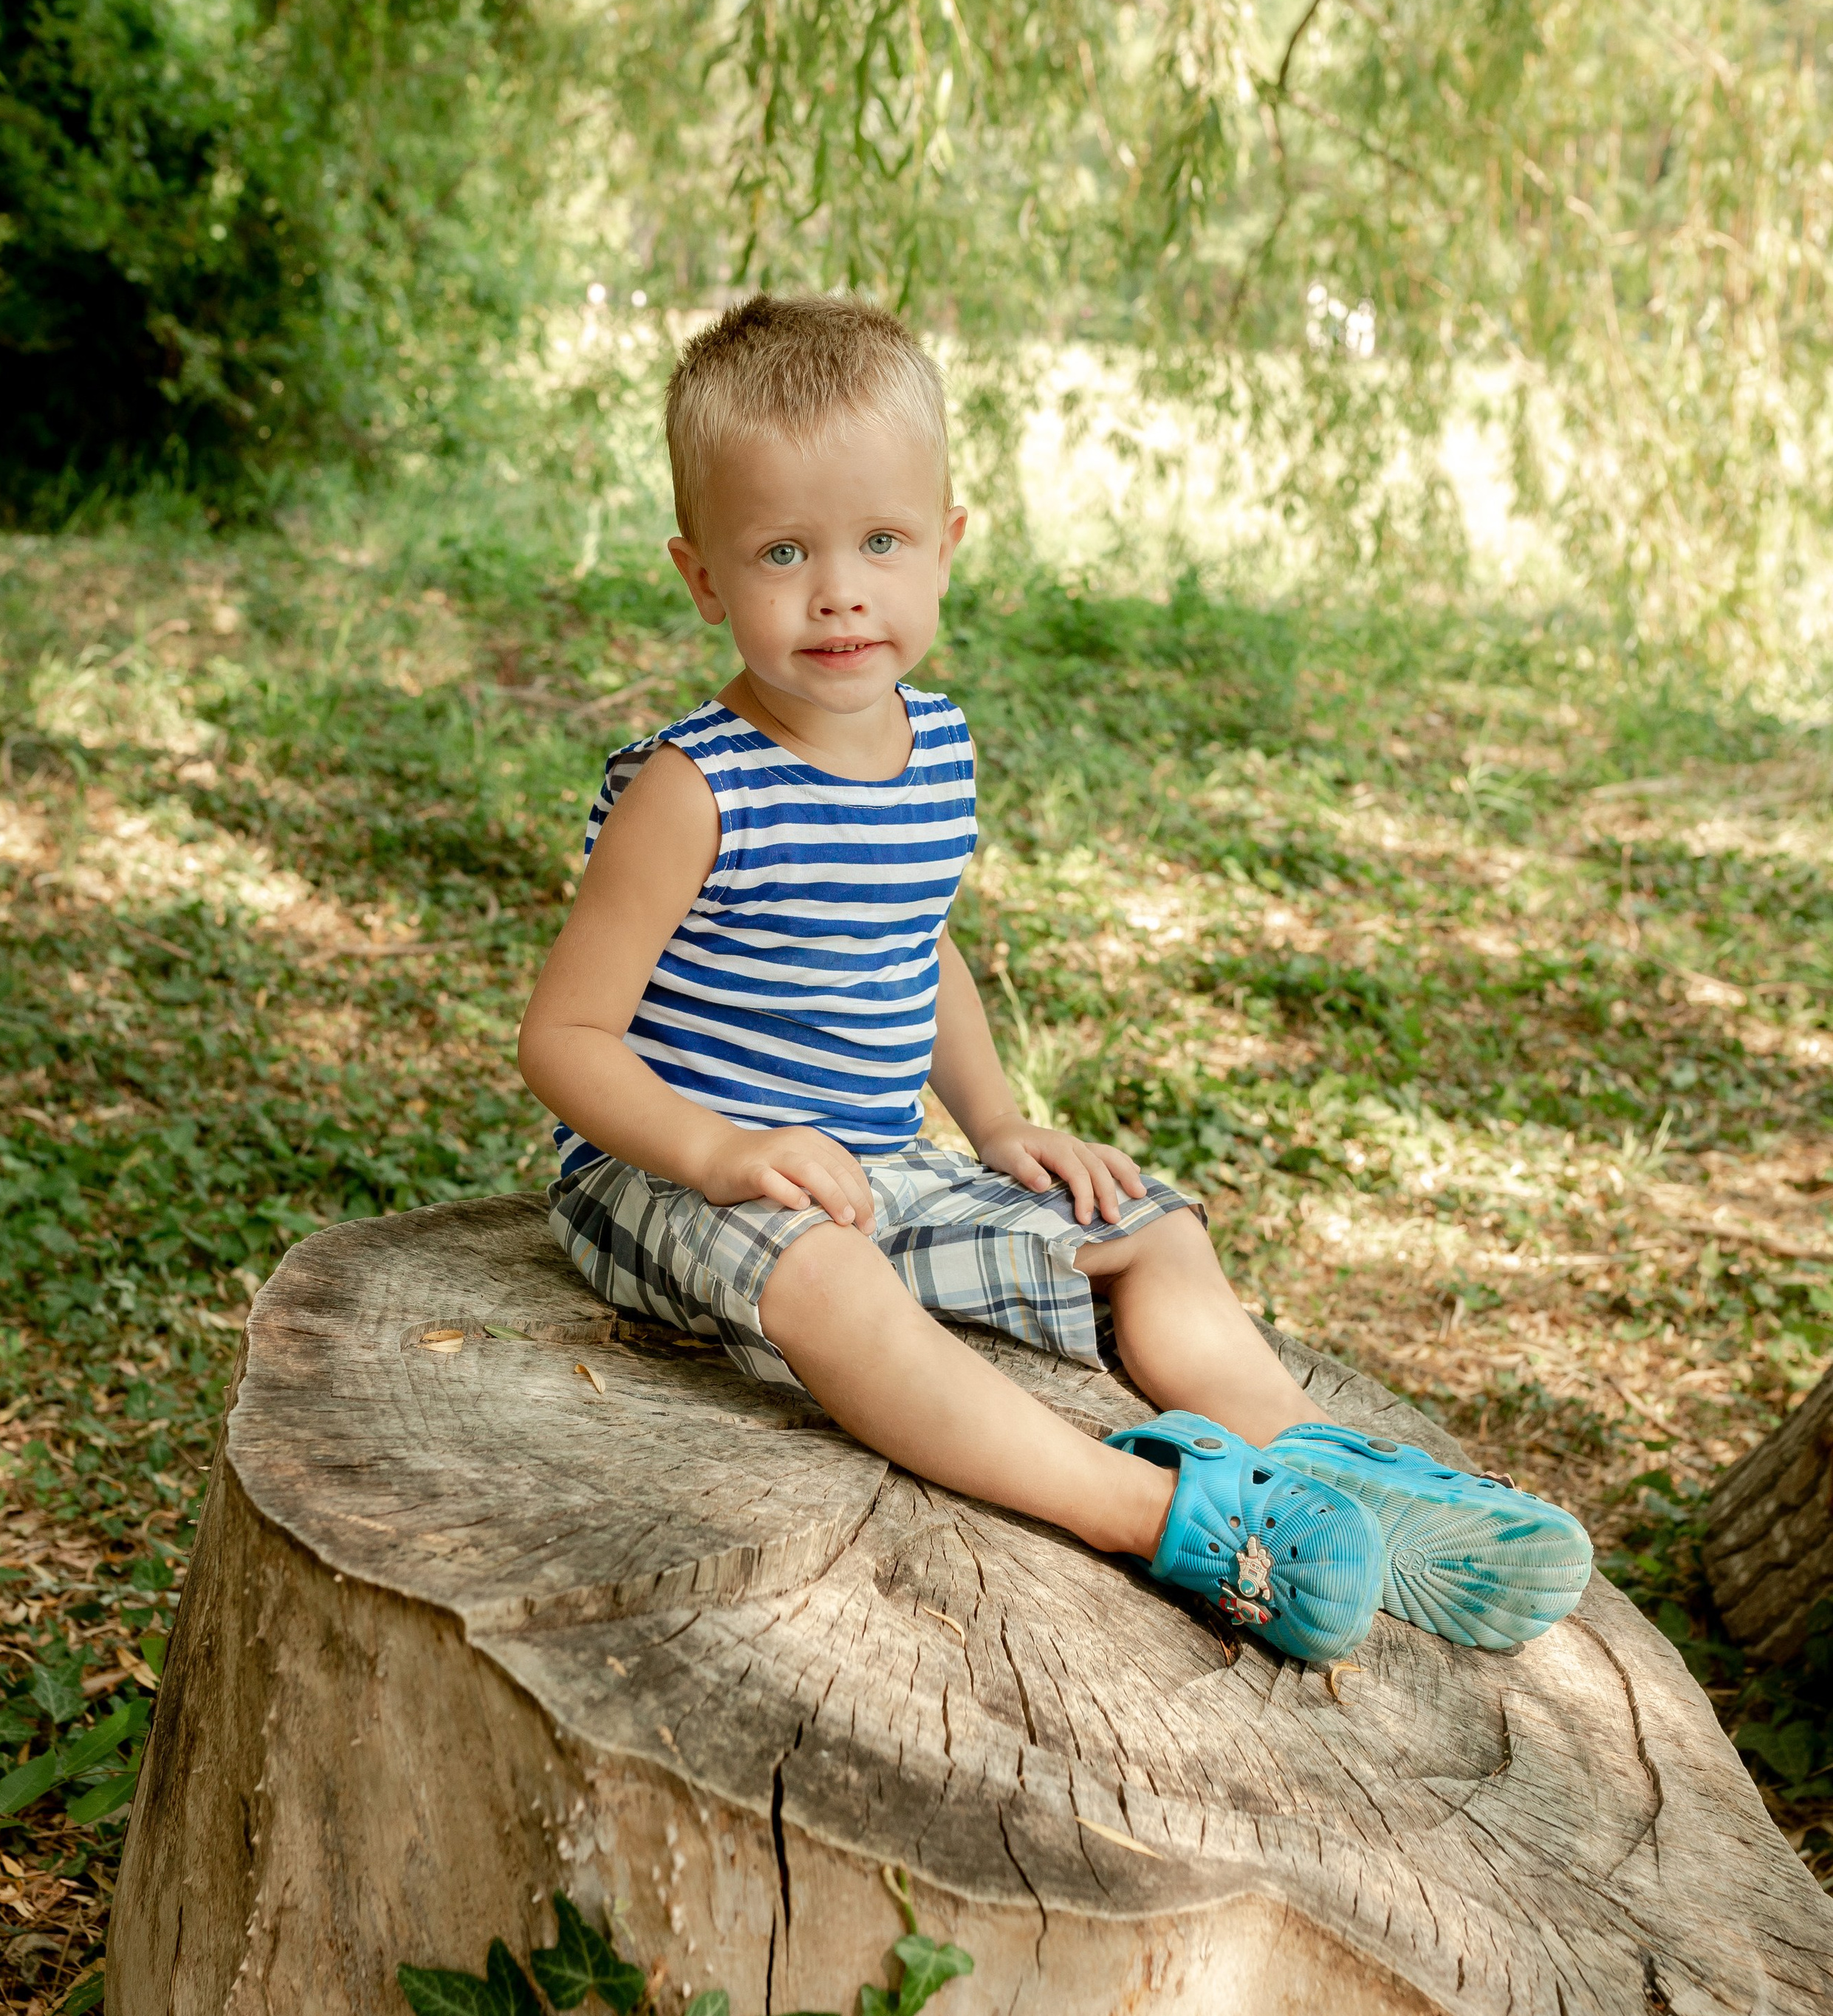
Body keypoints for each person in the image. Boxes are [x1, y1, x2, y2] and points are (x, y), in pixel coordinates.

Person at [517, 295, 1590, 1662]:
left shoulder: (937, 747)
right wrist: (718, 1149)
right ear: (702, 578)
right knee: (839, 1286)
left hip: (870, 1164)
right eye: (784, 551)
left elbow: (918, 939)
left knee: (1148, 1226)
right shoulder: (696, 785)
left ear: (948, 546)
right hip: (665, 1181)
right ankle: (1156, 1514)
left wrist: (1002, 1123)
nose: (840, 588)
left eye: (882, 542)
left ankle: (1310, 1456)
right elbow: (566, 1036)